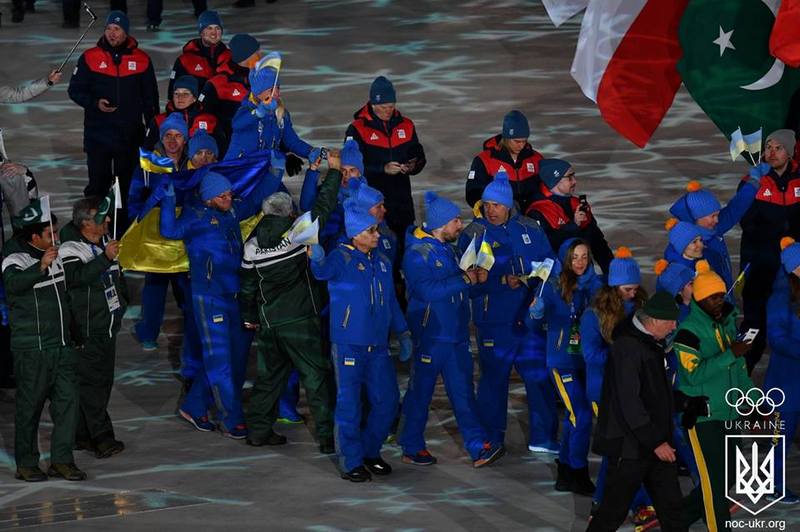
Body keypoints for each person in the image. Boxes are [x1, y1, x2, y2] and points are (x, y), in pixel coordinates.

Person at [159, 168, 279, 439]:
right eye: (222, 195)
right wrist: (168, 199)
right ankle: (231, 418)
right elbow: (169, 230)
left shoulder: (232, 211)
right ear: (208, 198)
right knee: (220, 360)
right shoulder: (195, 217)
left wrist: (275, 171)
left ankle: (194, 406)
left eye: (229, 193)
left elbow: (255, 200)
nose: (228, 198)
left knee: (235, 358)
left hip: (236, 295)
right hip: (209, 298)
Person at [239, 150, 343, 453]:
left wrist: (249, 317)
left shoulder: (251, 246)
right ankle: (328, 438)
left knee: (268, 380)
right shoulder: (298, 234)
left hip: (269, 324)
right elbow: (324, 206)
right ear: (288, 213)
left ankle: (258, 431)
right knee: (316, 380)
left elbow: (248, 287)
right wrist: (334, 171)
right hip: (300, 322)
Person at [588, 292, 710, 532]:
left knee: (673, 512)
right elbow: (629, 402)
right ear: (654, 320)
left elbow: (654, 394)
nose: (674, 326)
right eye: (671, 321)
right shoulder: (628, 348)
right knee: (612, 513)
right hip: (630, 448)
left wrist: (686, 403)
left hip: (655, 444)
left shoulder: (651, 345)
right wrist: (655, 442)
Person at [399, 192, 504, 468]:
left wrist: (479, 279)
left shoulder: (450, 250)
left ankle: (478, 447)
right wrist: (464, 279)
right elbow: (426, 291)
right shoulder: (416, 254)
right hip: (431, 336)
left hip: (456, 334)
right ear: (440, 224)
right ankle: (411, 445)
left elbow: (462, 288)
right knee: (421, 394)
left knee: (463, 393)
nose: (460, 225)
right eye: (456, 220)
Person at [309, 201, 412, 482]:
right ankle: (350, 460)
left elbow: (391, 301)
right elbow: (322, 272)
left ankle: (369, 451)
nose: (377, 235)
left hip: (378, 346)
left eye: (376, 230)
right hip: (348, 345)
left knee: (388, 401)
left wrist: (402, 332)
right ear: (355, 234)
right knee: (349, 405)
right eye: (371, 231)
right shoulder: (340, 258)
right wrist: (316, 258)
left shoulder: (382, 261)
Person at [460, 170, 559, 455]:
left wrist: (541, 288)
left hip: (530, 320)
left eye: (497, 205)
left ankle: (543, 437)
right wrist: (501, 281)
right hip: (494, 322)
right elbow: (467, 285)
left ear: (508, 205)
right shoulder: (473, 235)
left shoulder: (530, 228)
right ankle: (491, 439)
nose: (491, 210)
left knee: (539, 378)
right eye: (487, 205)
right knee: (493, 382)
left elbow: (552, 265)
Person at [3, 202, 86, 481]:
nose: (56, 237)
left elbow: (65, 296)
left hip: (61, 346)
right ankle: (26, 464)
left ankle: (62, 460)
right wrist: (40, 266)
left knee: (68, 404)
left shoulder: (55, 254)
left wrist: (76, 333)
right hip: (33, 350)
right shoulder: (14, 257)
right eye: (50, 233)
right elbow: (13, 285)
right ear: (33, 236)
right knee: (29, 408)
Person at [673, 260, 754, 531]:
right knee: (714, 484)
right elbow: (693, 375)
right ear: (699, 299)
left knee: (729, 475)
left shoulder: (727, 324)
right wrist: (730, 354)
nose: (719, 301)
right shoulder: (687, 333)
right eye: (712, 298)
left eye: (721, 295)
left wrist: (755, 402)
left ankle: (678, 519)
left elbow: (739, 369)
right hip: (703, 419)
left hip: (729, 414)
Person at [580, 247, 653, 526]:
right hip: (604, 391)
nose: (632, 294)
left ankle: (611, 502)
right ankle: (627, 503)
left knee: (630, 449)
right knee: (622, 450)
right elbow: (590, 356)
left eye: (635, 288)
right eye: (626, 289)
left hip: (633, 390)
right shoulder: (593, 315)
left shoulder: (641, 308)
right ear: (613, 287)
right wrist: (623, 352)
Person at [68, 10, 159, 227]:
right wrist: (95, 103)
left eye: (117, 29)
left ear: (126, 32)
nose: (112, 33)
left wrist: (153, 130)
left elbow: (150, 99)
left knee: (126, 185)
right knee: (97, 185)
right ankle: (94, 229)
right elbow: (75, 90)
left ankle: (123, 230)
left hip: (129, 137)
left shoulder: (142, 60)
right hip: (97, 135)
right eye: (109, 28)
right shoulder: (90, 57)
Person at [529, 237, 602, 495]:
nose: (580, 262)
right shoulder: (551, 285)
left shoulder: (596, 285)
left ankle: (566, 469)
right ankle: (578, 471)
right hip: (562, 362)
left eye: (584, 257)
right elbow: (533, 322)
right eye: (574, 257)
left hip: (586, 360)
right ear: (565, 259)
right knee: (580, 415)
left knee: (576, 416)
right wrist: (537, 312)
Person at [59, 196, 127, 459]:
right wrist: (105, 259)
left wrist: (121, 304)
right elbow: (75, 278)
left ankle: (81, 435)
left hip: (107, 327)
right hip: (87, 329)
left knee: (102, 383)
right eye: (101, 217)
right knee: (92, 386)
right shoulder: (70, 249)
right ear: (86, 223)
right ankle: (102, 437)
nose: (108, 219)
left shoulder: (105, 242)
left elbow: (118, 280)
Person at [738, 129, 800, 373]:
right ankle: (740, 371)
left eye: (778, 148)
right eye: (768, 147)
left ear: (790, 152)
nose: (771, 153)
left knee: (790, 318)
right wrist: (778, 238)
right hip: (759, 262)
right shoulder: (752, 181)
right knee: (753, 322)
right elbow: (745, 221)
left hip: (793, 264)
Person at [345, 76, 426, 255]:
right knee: (380, 250)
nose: (388, 111)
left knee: (405, 249)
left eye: (391, 106)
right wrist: (383, 168)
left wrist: (413, 165)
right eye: (383, 107)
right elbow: (351, 166)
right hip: (372, 204)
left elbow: (418, 154)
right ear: (373, 104)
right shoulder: (357, 128)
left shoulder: (406, 125)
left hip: (402, 202)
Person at [130, 113, 190, 351]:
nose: (172, 141)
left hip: (183, 235)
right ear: (161, 138)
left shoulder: (193, 163)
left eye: (178, 136)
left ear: (185, 139)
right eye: (168, 135)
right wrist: (137, 225)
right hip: (156, 237)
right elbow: (134, 199)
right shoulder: (147, 165)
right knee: (155, 287)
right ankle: (148, 333)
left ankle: (192, 331)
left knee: (186, 286)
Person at [668, 178, 760, 289]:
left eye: (717, 215)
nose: (717, 220)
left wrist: (754, 182)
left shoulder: (712, 228)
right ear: (697, 217)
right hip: (708, 297)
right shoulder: (681, 245)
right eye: (713, 216)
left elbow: (736, 208)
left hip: (722, 293)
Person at [526, 159, 613, 274]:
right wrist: (574, 225)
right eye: (569, 177)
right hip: (557, 277)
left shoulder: (577, 204)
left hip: (585, 275)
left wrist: (613, 273)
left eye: (574, 176)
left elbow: (599, 244)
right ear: (555, 180)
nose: (575, 181)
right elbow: (545, 247)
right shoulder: (537, 211)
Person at [225, 56, 315, 162]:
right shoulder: (246, 110)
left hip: (263, 167)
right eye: (271, 89)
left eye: (278, 88)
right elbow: (237, 124)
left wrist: (311, 151)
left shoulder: (281, 114)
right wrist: (259, 112)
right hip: (238, 168)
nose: (277, 93)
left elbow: (292, 142)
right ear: (259, 92)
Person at [764, 237, 800, 504]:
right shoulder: (779, 299)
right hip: (784, 385)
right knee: (780, 438)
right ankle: (772, 484)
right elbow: (777, 339)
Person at [465, 110, 543, 212]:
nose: (521, 145)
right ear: (506, 137)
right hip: (498, 216)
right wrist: (489, 212)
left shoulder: (536, 159)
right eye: (517, 141)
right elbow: (472, 192)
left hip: (531, 216)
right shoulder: (484, 160)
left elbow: (546, 190)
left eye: (524, 141)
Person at [199, 33, 260, 155]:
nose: (260, 56)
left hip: (257, 148)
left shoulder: (263, 78)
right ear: (246, 55)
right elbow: (202, 118)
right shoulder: (217, 83)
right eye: (257, 52)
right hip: (228, 150)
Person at [143, 76, 219, 152]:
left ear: (194, 98)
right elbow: (147, 151)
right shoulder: (158, 121)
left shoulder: (210, 121)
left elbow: (220, 151)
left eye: (185, 94)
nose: (180, 97)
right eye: (176, 93)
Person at [167, 10, 230, 100]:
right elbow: (173, 92)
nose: (214, 33)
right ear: (201, 32)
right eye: (209, 28)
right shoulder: (185, 60)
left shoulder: (230, 57)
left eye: (217, 28)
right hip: (195, 108)